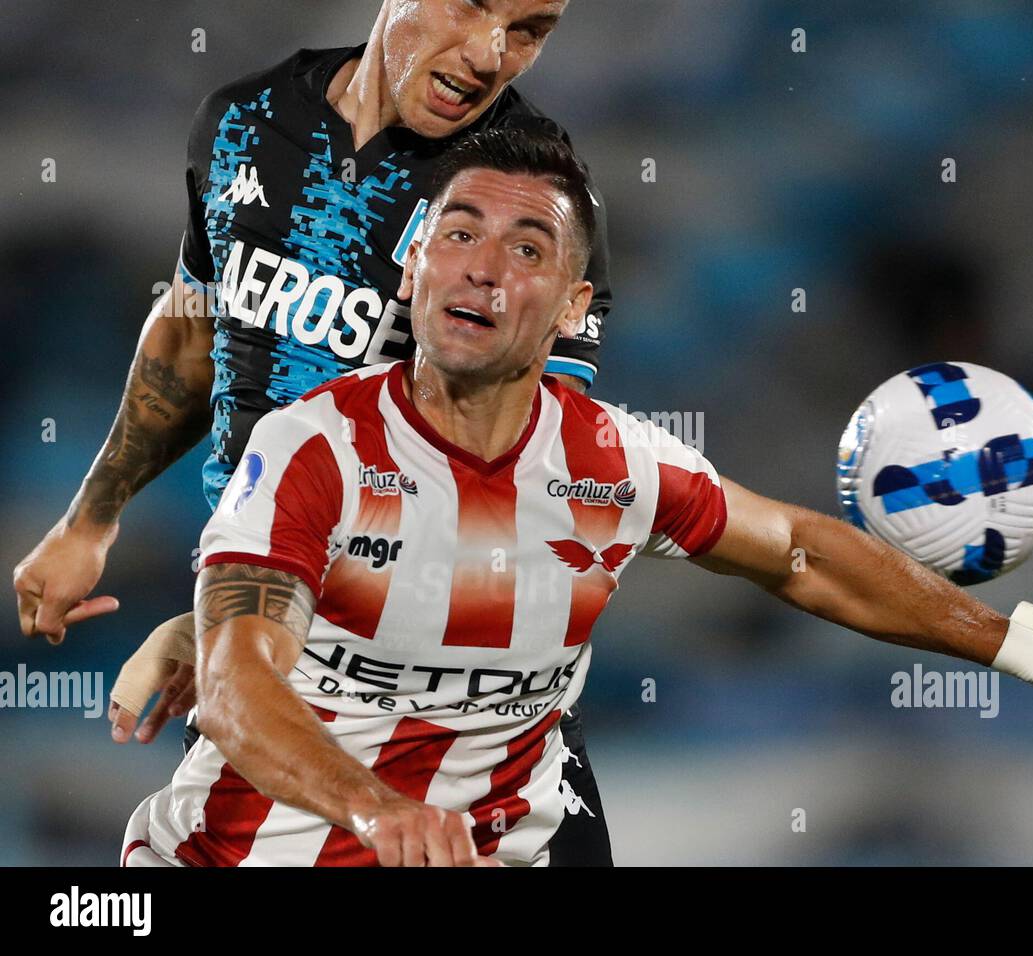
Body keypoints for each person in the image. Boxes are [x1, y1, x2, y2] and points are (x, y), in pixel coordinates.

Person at [121, 127, 1033, 867]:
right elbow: (234, 683)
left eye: (525, 246)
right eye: (455, 233)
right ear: (409, 266)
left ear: (570, 306)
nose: (479, 266)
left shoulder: (614, 463)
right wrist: (376, 810)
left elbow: (799, 549)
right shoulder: (310, 446)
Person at [13, 0, 615, 866]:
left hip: (457, 722)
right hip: (264, 686)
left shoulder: (526, 203)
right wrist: (90, 520)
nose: (491, 53)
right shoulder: (245, 122)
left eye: (530, 29)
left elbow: (523, 483)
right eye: (475, 4)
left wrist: (220, 632)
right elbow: (193, 332)